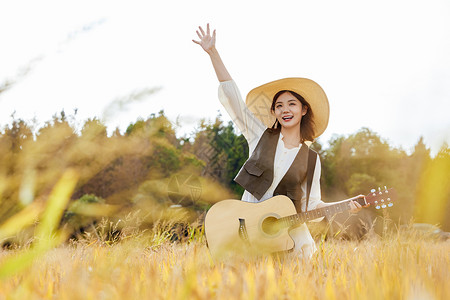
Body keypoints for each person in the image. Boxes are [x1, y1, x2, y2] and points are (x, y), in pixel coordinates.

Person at [193, 24, 364, 259]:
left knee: (303, 262)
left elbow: (312, 205)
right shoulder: (259, 135)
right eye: (279, 105)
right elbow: (234, 101)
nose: (285, 110)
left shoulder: (312, 160)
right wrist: (213, 53)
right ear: (273, 111)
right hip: (246, 225)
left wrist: (346, 204)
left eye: (292, 104)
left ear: (304, 109)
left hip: (285, 232)